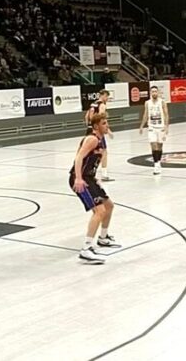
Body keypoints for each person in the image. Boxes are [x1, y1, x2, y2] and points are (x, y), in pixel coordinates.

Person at [69, 113, 120, 264]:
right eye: (104, 123)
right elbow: (78, 158)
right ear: (96, 126)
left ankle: (103, 238)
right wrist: (78, 178)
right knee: (99, 211)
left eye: (107, 122)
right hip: (80, 179)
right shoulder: (91, 139)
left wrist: (94, 176)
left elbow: (91, 161)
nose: (107, 125)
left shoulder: (100, 140)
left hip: (89, 177)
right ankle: (86, 249)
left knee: (109, 206)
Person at [85, 89, 114, 181]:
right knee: (104, 151)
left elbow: (86, 117)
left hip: (90, 129)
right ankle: (104, 174)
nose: (107, 99)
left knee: (89, 151)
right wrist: (108, 130)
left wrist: (89, 126)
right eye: (107, 97)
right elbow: (102, 118)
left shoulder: (93, 104)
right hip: (97, 130)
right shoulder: (102, 105)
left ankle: (86, 171)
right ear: (104, 95)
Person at [139, 85, 169, 175]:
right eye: (153, 91)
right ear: (150, 93)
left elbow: (166, 114)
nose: (154, 93)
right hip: (151, 127)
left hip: (161, 127)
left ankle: (158, 162)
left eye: (156, 91)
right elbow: (145, 115)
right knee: (153, 145)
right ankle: (156, 165)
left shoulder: (162, 102)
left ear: (158, 92)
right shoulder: (147, 103)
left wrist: (166, 127)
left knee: (159, 146)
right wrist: (141, 126)